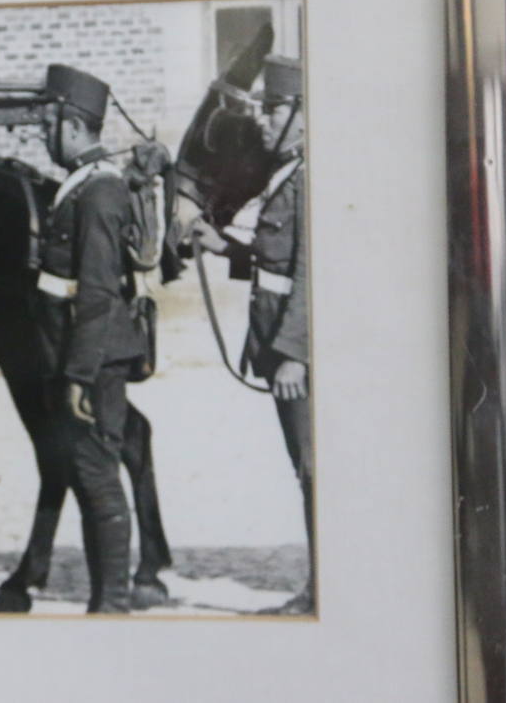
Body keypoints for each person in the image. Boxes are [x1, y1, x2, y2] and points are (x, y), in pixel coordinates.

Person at [191, 53, 314, 615]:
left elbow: (314, 273)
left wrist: (294, 353)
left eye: (274, 108)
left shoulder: (310, 179)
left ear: (305, 115)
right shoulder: (283, 174)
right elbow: (276, 259)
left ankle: (323, 589)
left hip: (296, 350)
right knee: (304, 466)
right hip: (276, 337)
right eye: (263, 109)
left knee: (315, 467)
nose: (262, 119)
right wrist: (225, 248)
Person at [36, 63, 149, 614]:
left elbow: (99, 292)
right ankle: (105, 601)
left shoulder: (100, 190)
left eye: (46, 123)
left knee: (98, 477)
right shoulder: (84, 183)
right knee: (87, 476)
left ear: (70, 124)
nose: (41, 134)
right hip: (79, 353)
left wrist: (78, 374)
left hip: (95, 359)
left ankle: (114, 605)